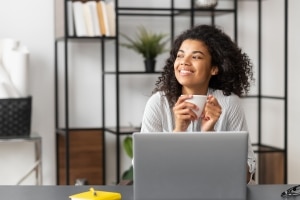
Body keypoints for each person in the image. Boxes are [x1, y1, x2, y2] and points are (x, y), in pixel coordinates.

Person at [140, 24, 256, 182]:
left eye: (196, 57)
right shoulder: (158, 103)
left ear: (214, 68)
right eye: (180, 56)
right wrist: (178, 131)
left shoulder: (228, 103)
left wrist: (209, 135)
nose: (184, 62)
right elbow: (145, 170)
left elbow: (246, 175)